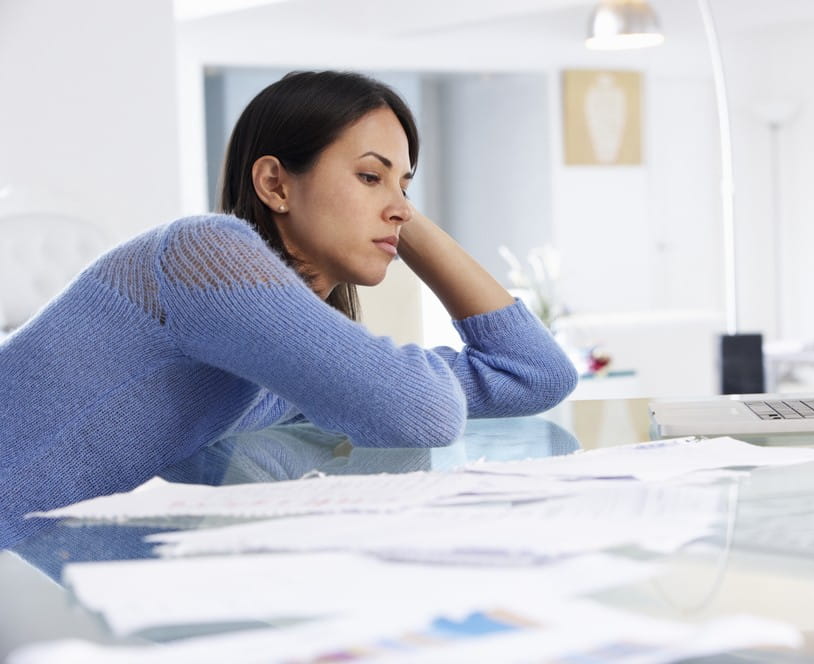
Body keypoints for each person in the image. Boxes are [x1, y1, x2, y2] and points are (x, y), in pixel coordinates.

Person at [0, 71, 578, 548]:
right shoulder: (201, 254)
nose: (399, 208)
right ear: (275, 184)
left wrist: (397, 209)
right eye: (369, 176)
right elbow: (422, 413)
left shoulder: (277, 372)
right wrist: (393, 208)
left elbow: (534, 374)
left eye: (406, 186)